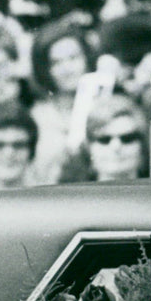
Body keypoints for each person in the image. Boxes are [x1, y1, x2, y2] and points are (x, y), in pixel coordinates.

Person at [30, 21, 95, 183]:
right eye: (56, 62)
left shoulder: (103, 106)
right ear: (45, 69)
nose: (67, 68)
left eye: (73, 58)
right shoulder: (36, 117)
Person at [59, 93, 148, 183]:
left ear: (142, 145)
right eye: (104, 140)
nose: (116, 147)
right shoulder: (70, 195)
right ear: (89, 147)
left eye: (127, 138)